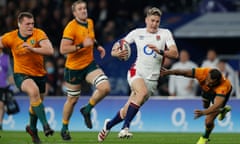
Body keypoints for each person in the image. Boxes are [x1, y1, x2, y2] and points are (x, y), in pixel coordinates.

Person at [98, 7, 179, 142]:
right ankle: (125, 128)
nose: (154, 24)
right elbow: (117, 45)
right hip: (136, 72)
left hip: (152, 80)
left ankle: (108, 125)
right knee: (141, 93)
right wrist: (115, 53)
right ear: (146, 20)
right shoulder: (137, 33)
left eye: (157, 21)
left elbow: (175, 53)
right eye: (152, 20)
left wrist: (160, 51)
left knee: (126, 111)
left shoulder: (165, 34)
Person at [60, 0, 110, 140]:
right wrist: (81, 45)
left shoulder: (90, 22)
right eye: (80, 9)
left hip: (89, 65)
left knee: (105, 88)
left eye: (84, 8)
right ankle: (64, 128)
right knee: (72, 99)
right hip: (73, 68)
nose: (83, 10)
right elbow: (63, 49)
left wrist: (97, 46)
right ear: (74, 13)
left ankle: (87, 109)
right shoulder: (71, 28)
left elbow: (91, 39)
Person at [0, 12, 54, 144]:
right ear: (19, 25)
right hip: (21, 75)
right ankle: (46, 126)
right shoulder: (10, 37)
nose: (31, 26)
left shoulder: (38, 33)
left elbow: (49, 50)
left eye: (32, 23)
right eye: (27, 24)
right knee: (33, 92)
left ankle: (32, 129)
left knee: (36, 101)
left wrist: (33, 49)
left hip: (39, 74)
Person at [160, 67, 232, 144]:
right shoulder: (202, 72)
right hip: (207, 91)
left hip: (220, 95)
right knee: (205, 105)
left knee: (208, 121)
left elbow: (217, 105)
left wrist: (204, 113)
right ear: (207, 75)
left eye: (211, 83)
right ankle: (222, 110)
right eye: (207, 80)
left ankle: (205, 138)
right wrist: (169, 72)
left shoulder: (223, 86)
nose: (207, 83)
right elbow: (183, 72)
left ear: (217, 81)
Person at [0, 48, 14, 130]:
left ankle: (0, 123)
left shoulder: (6, 57)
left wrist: (11, 86)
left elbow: (10, 73)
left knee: (1, 105)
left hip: (2, 85)